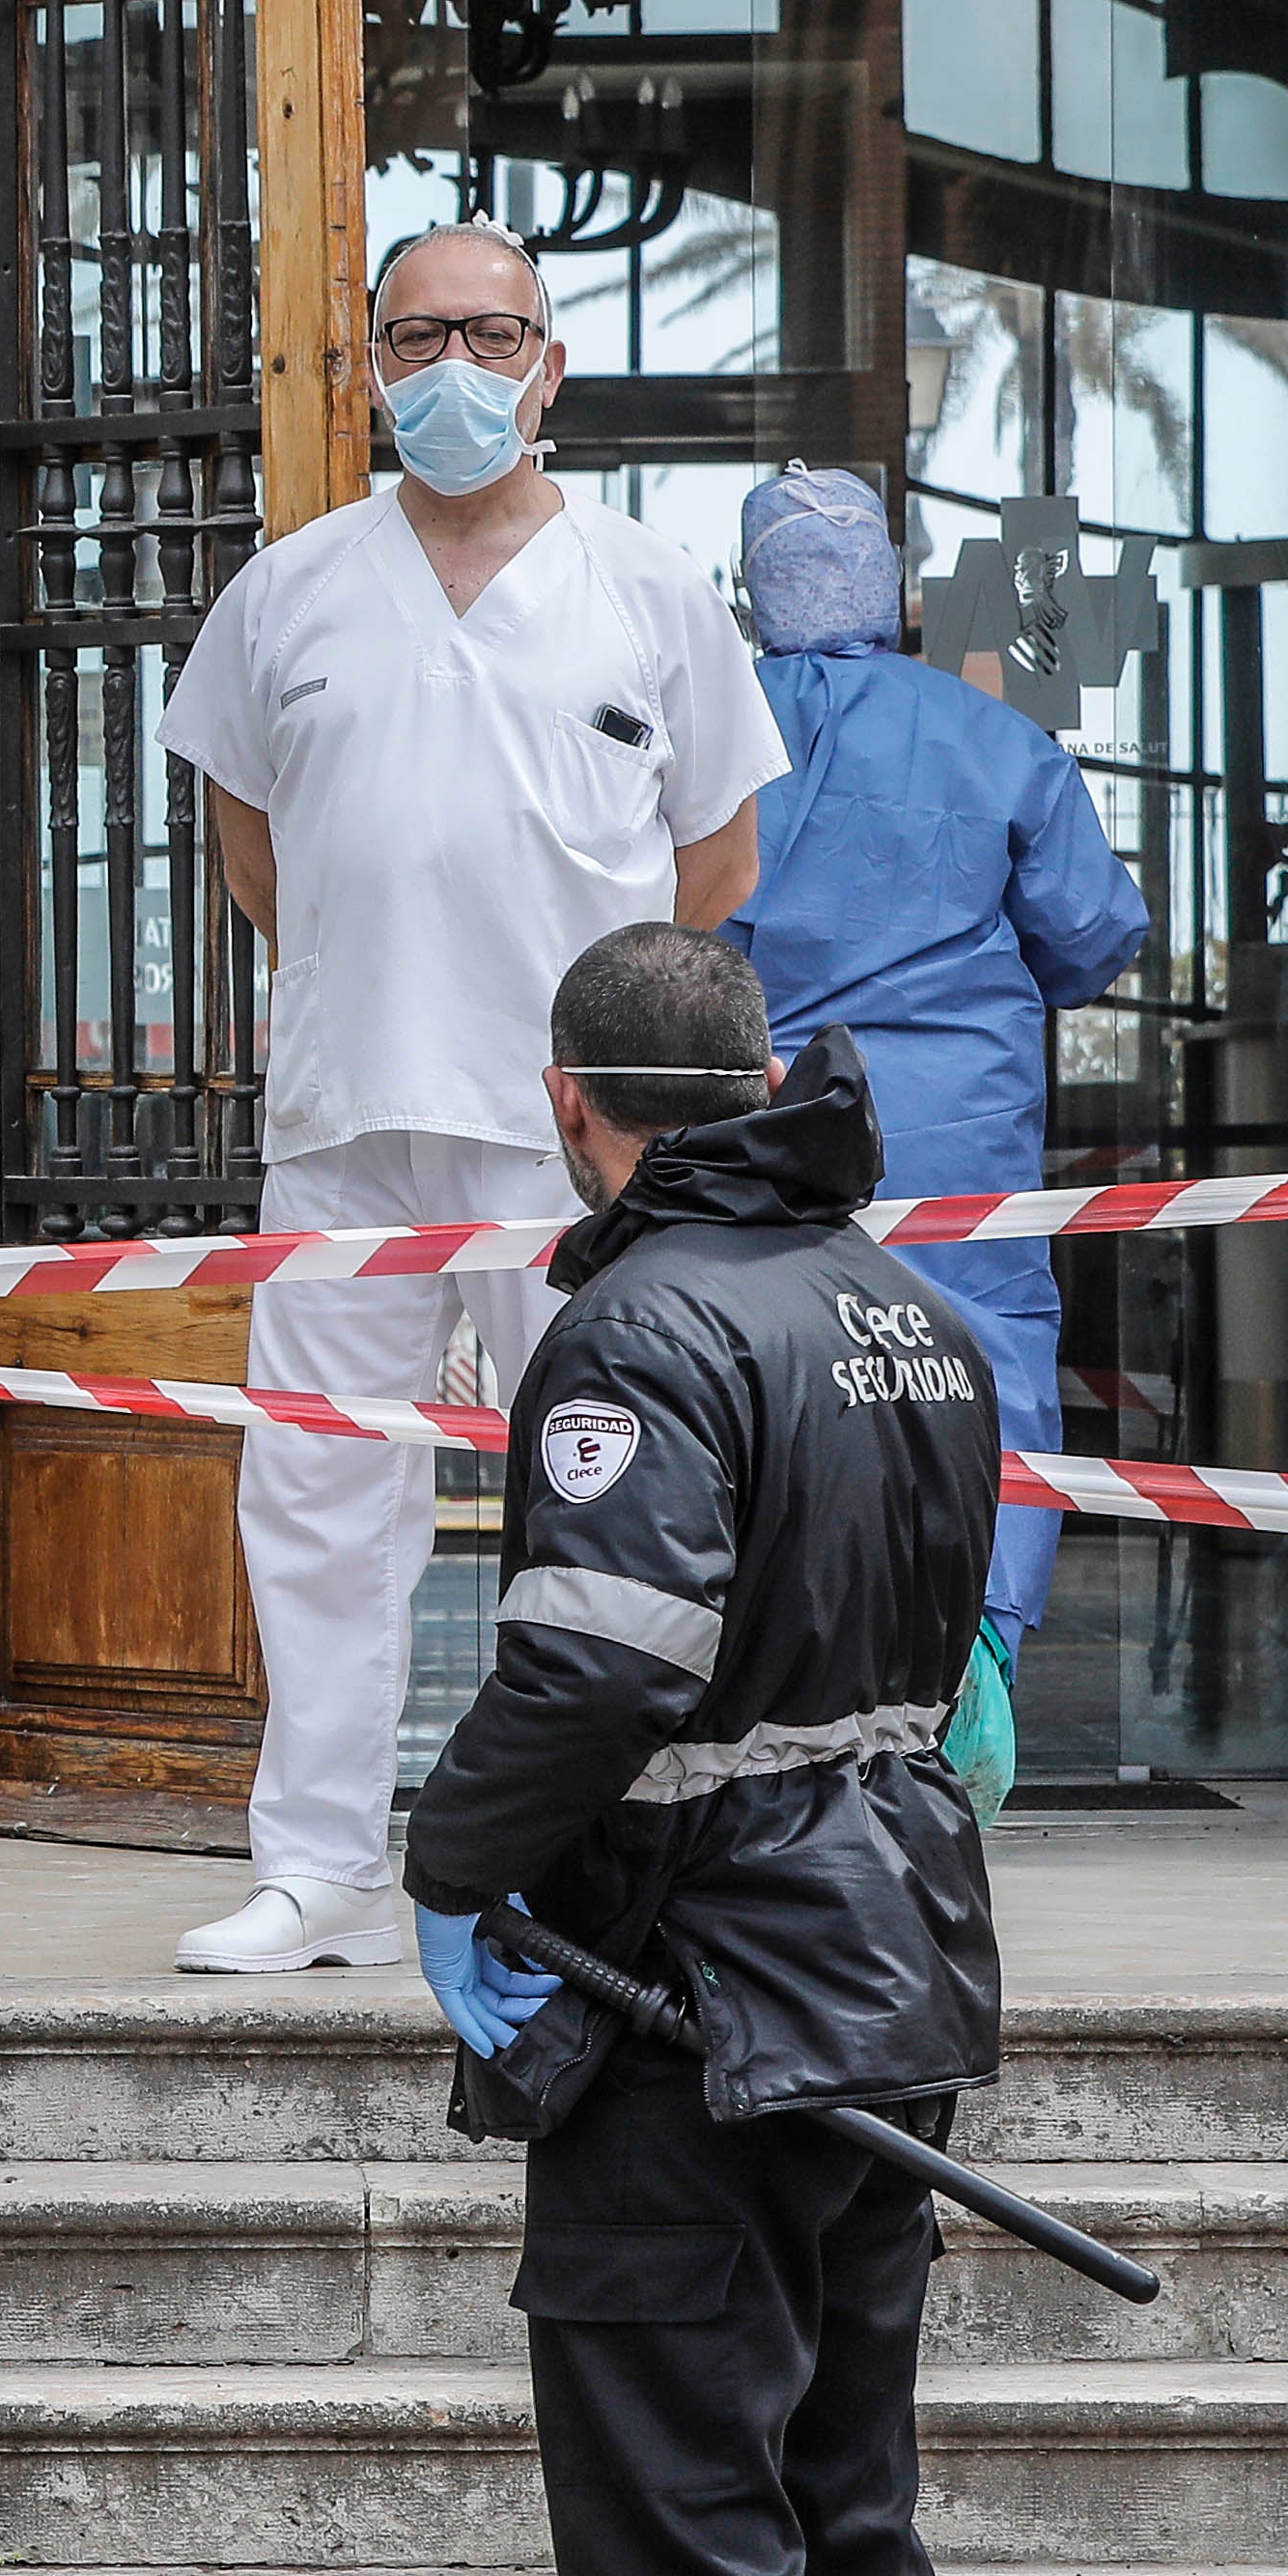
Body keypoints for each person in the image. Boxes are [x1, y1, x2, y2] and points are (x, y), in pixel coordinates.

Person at [403, 926, 1004, 2576]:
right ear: (754, 1076)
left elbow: (595, 1665)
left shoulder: (637, 1324)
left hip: (702, 1997)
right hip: (876, 1965)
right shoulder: (896, 1301)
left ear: (576, 1101)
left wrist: (444, 1857)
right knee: (843, 2511)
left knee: (685, 2530)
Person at [157, 218, 793, 1973]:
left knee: (605, 1490)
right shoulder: (288, 588)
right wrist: (389, 965)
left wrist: (596, 1056)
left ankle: (614, 1852)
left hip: (571, 1136)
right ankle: (320, 1865)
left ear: (551, 368)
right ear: (368, 365)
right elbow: (252, 842)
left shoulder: (652, 589)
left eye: (492, 335)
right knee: (316, 1492)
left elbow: (714, 863)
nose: (457, 370)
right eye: (420, 337)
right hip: (349, 1109)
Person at [718, 464, 1154, 1821]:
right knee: (988, 1389)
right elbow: (1094, 935)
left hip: (765, 1119)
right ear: (897, 591)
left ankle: (782, 1705)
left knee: (764, 1392)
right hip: (954, 1132)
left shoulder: (712, 744)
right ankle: (973, 1676)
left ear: (750, 599)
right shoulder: (993, 739)